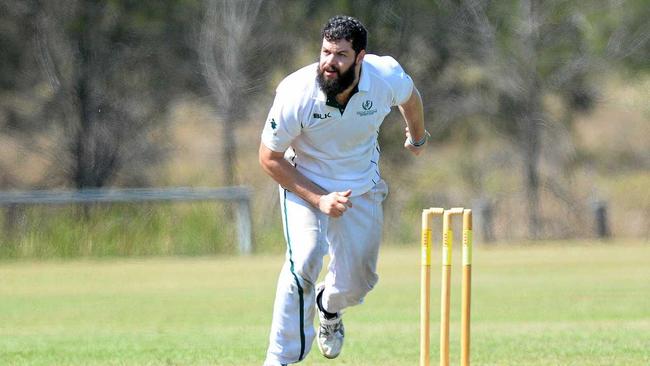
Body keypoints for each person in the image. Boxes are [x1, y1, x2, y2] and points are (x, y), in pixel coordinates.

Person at [259, 15, 427, 366]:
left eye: (340, 55)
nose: (329, 63)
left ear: (360, 57)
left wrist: (416, 136)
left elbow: (410, 100)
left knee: (359, 283)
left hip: (360, 187)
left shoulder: (385, 77)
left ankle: (329, 308)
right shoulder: (297, 92)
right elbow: (269, 158)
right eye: (325, 52)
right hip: (304, 180)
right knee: (303, 259)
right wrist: (319, 198)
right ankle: (280, 358)